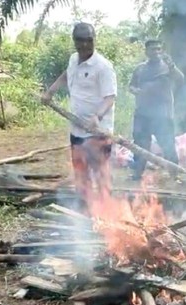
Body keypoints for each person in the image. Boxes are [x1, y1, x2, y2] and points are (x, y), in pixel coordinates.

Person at [41, 22, 117, 205]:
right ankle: (84, 207)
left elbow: (110, 97)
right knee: (80, 171)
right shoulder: (73, 59)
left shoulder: (103, 67)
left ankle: (107, 209)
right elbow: (66, 75)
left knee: (101, 173)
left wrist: (97, 117)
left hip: (98, 132)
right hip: (77, 130)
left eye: (88, 40)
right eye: (80, 40)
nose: (84, 45)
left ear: (94, 40)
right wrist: (50, 92)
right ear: (74, 40)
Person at [129, 39, 184, 181]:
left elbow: (180, 79)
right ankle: (137, 173)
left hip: (162, 114)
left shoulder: (168, 67)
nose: (156, 52)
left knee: (168, 144)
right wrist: (136, 91)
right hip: (142, 113)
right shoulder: (139, 68)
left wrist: (172, 67)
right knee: (140, 144)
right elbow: (131, 86)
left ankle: (174, 174)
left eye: (159, 49)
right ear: (146, 52)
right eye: (153, 49)